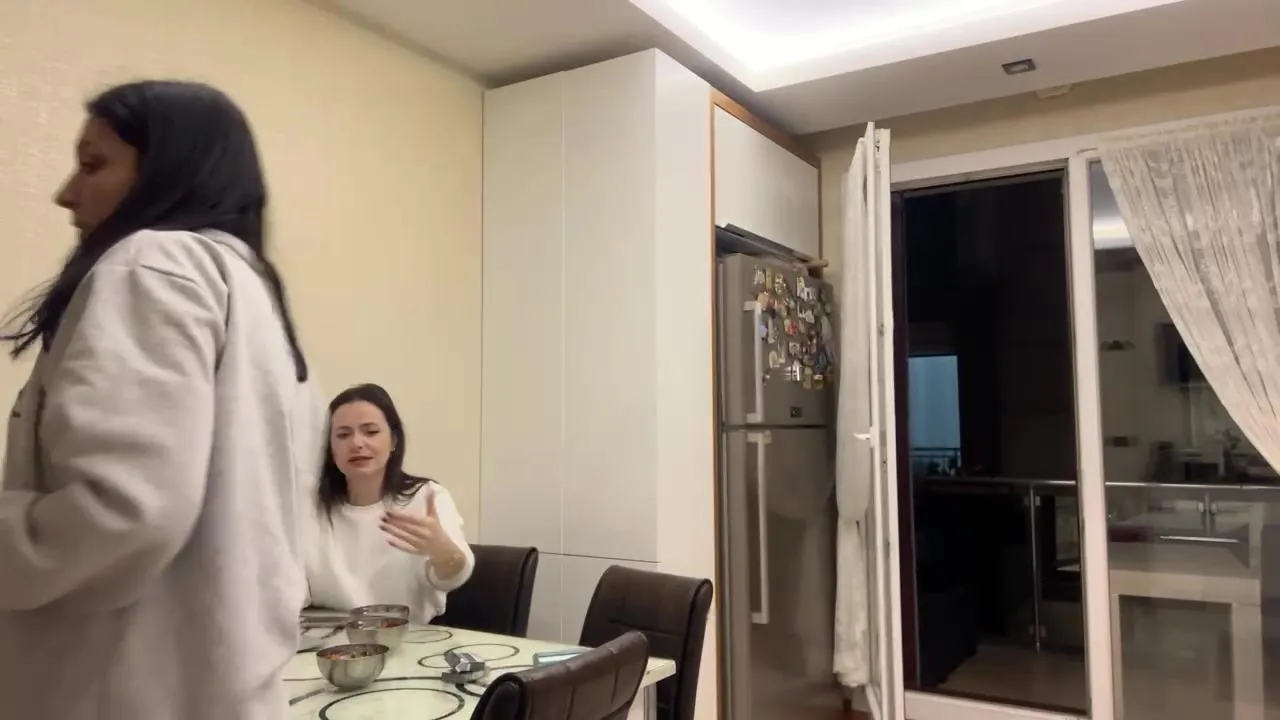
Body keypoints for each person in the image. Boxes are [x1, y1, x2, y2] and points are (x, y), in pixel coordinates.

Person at [0, 80, 322, 720]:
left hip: (119, 690)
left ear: (169, 170)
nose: (66, 192)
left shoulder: (150, 262)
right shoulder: (254, 294)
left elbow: (125, 509)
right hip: (228, 688)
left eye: (93, 164)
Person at [306, 383, 474, 624]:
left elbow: (451, 576)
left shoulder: (426, 497)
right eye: (343, 435)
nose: (357, 443)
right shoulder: (310, 505)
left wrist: (443, 552)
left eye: (371, 431)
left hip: (407, 637)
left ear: (393, 440)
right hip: (326, 638)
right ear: (330, 449)